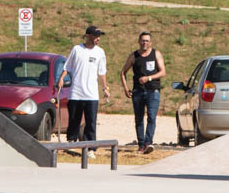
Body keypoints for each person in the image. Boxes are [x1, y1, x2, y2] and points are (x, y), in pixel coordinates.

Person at [63, 25, 109, 155]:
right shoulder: (77, 49)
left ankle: (90, 148)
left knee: (91, 122)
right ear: (88, 36)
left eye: (99, 36)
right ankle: (71, 142)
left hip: (92, 94)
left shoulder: (100, 52)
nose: (98, 39)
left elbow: (102, 72)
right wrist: (61, 79)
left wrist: (105, 87)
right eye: (96, 36)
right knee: (74, 120)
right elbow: (67, 66)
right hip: (76, 92)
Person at [119, 31, 166, 153]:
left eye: (147, 40)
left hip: (153, 91)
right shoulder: (134, 56)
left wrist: (149, 78)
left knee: (151, 117)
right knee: (139, 119)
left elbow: (163, 72)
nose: (144, 42)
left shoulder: (156, 54)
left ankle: (148, 143)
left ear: (151, 42)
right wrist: (125, 88)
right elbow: (123, 72)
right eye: (142, 40)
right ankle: (141, 145)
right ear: (139, 41)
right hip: (138, 92)